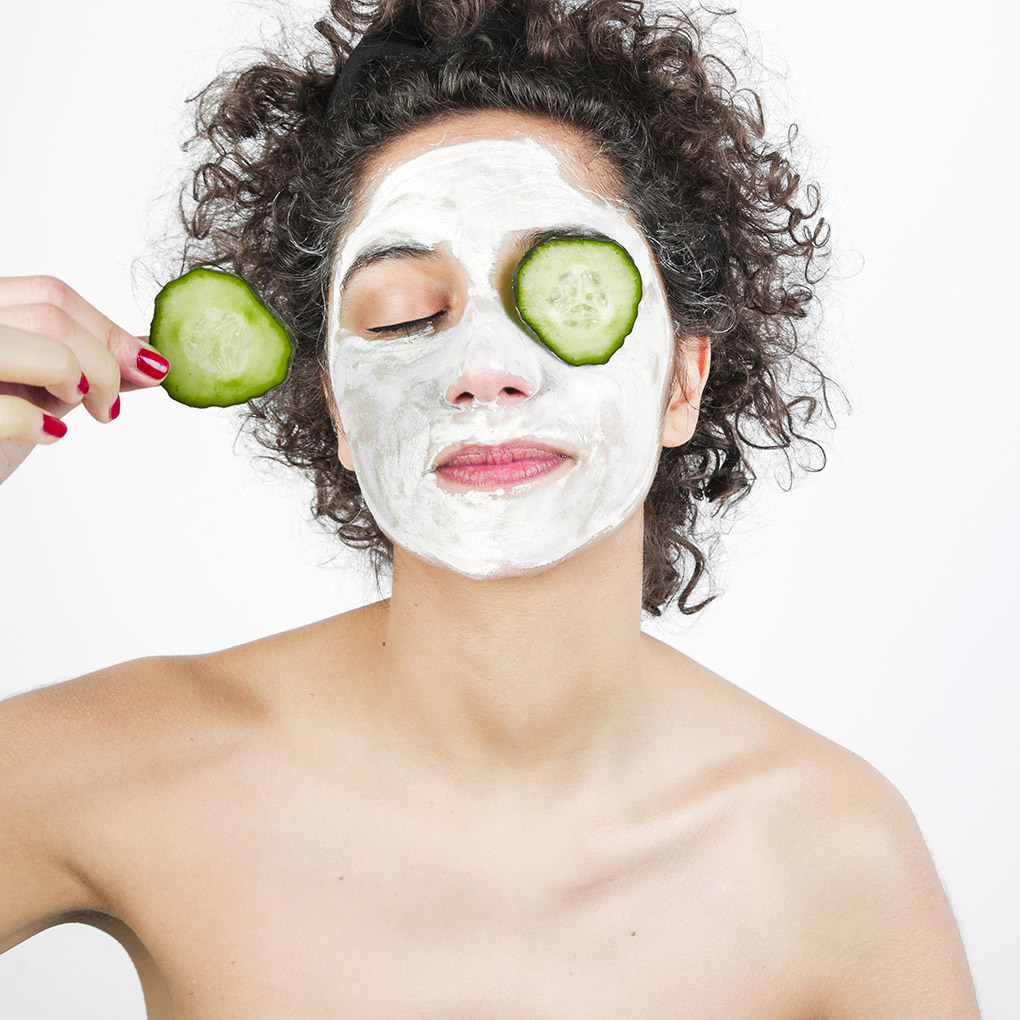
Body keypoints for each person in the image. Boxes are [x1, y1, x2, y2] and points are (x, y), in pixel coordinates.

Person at [0, 0, 983, 1016]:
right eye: (406, 312)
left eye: (566, 299)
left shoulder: (831, 858)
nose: (482, 370)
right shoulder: (138, 769)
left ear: (681, 386)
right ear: (336, 404)